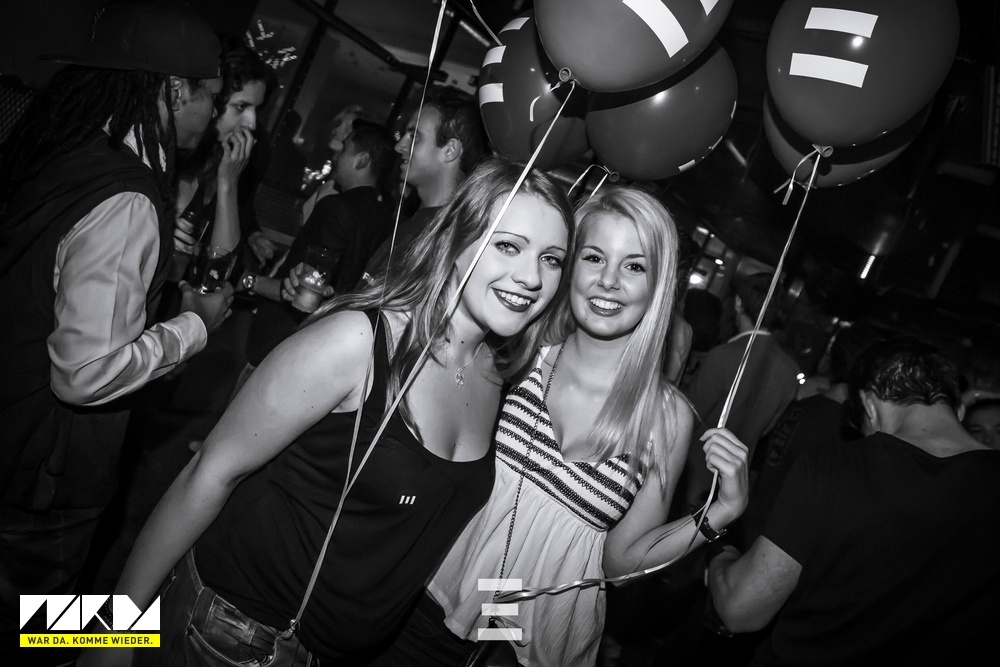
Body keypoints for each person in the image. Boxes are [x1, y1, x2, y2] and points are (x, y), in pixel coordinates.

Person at [96, 157, 573, 666]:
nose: (531, 277)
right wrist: (109, 639)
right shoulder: (358, 341)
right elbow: (208, 472)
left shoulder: (496, 371)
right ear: (456, 238)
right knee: (43, 628)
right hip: (235, 635)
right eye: (508, 245)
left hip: (330, 655)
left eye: (551, 259)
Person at [372, 186, 751, 667]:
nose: (608, 281)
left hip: (532, 650)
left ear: (659, 287)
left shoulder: (666, 418)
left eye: (634, 266)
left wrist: (721, 511)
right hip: (428, 605)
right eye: (594, 258)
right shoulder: (515, 356)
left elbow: (620, 563)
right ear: (570, 267)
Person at [0, 0, 229, 646]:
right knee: (42, 633)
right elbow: (86, 372)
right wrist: (194, 324)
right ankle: (130, 640)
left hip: (13, 434)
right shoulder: (126, 196)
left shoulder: (67, 148)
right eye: (212, 97)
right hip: (43, 474)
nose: (214, 114)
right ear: (175, 90)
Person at [707, 336, 1000, 666]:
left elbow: (741, 610)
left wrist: (721, 557)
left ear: (869, 405)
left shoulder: (834, 466)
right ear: (959, 410)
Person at [242, 119, 397, 371]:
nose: (336, 155)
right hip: (328, 342)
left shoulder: (336, 207)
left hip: (283, 339)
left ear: (361, 160)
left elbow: (304, 285)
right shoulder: (386, 219)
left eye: (344, 149)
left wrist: (249, 281)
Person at [680, 272, 799, 509]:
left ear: (737, 302)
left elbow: (686, 417)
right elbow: (766, 429)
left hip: (691, 476)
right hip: (733, 486)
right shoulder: (790, 371)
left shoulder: (722, 356)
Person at [359, 85, 489, 287]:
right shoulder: (421, 220)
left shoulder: (447, 238)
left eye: (414, 137)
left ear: (450, 150)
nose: (399, 146)